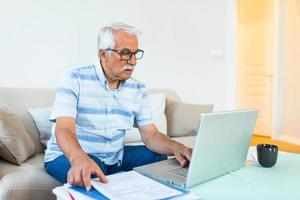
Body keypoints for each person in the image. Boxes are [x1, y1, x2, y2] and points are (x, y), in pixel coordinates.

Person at [44, 22, 192, 191]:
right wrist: (79, 157)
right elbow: (64, 128)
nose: (133, 61)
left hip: (116, 157)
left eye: (136, 53)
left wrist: (177, 147)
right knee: (90, 172)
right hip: (67, 156)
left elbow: (151, 134)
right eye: (125, 53)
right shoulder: (73, 78)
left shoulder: (138, 89)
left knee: (156, 156)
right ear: (103, 54)